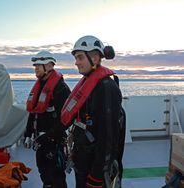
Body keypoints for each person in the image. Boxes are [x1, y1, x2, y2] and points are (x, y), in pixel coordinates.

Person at [61, 35, 126, 188]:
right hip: (83, 160)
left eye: (80, 57)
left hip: (95, 168)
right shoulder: (89, 85)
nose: (76, 62)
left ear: (95, 58)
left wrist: (97, 175)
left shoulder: (106, 88)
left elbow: (108, 136)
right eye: (76, 58)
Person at [24, 50, 71, 188]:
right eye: (35, 65)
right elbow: (33, 112)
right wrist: (28, 133)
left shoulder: (61, 88)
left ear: (50, 66)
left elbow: (66, 120)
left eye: (39, 65)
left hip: (54, 142)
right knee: (44, 173)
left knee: (57, 176)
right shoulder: (39, 87)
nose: (36, 68)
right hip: (41, 141)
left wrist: (49, 136)